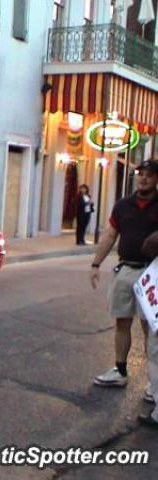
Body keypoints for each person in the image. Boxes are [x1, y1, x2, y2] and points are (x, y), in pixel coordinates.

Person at [90, 160, 158, 401]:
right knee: (122, 321)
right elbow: (110, 235)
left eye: (150, 175)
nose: (144, 179)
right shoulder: (123, 206)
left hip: (152, 274)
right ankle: (119, 370)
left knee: (150, 327)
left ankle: (154, 383)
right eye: (141, 174)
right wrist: (96, 264)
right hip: (126, 270)